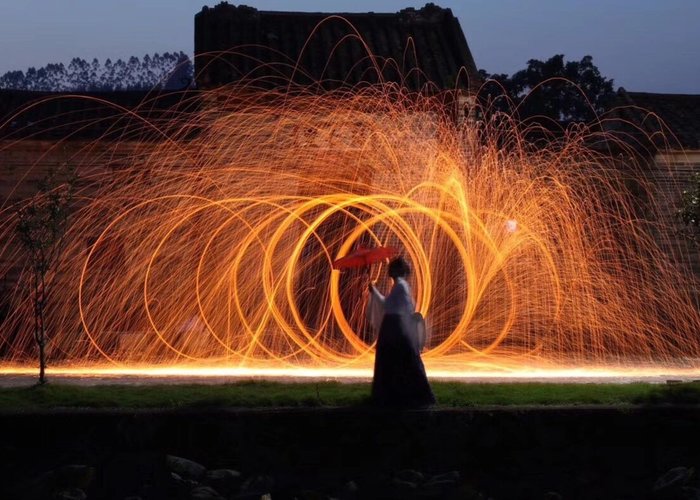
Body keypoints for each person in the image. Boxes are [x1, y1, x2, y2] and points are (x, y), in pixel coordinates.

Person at [367, 256, 435, 407]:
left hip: (395, 326)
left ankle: (402, 396)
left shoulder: (400, 286)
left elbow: (387, 306)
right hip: (395, 325)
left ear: (398, 271)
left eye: (392, 268)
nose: (389, 271)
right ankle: (404, 396)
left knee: (397, 359)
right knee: (401, 359)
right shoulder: (400, 285)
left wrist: (374, 291)